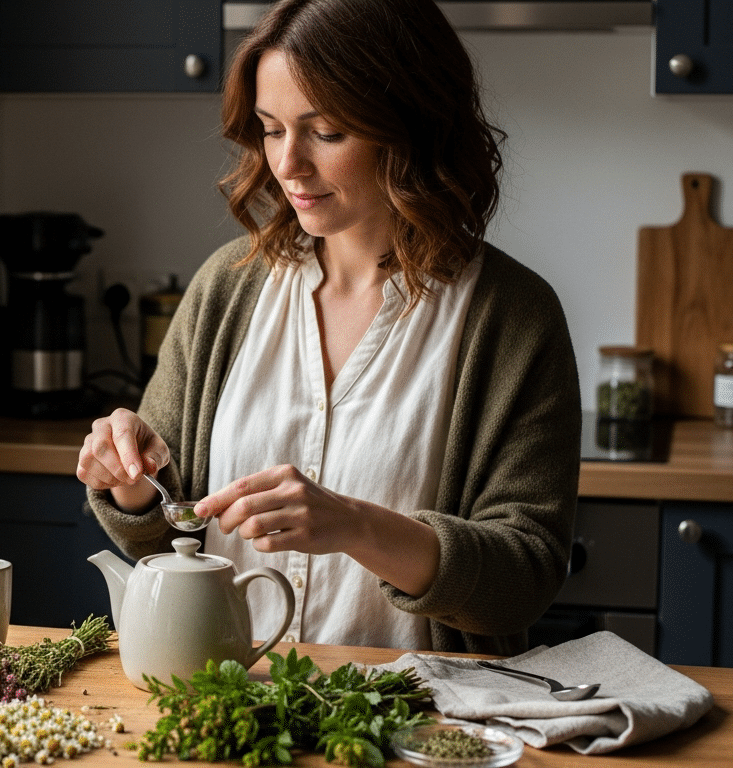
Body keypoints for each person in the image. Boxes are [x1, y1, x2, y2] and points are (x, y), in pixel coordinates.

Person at [76, 0, 580, 656]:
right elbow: (170, 529)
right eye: (270, 128)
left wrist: (353, 525)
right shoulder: (226, 288)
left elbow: (523, 579)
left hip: (417, 726)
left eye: (326, 132)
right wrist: (132, 483)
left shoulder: (513, 316)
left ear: (411, 126)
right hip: (232, 709)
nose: (288, 165)